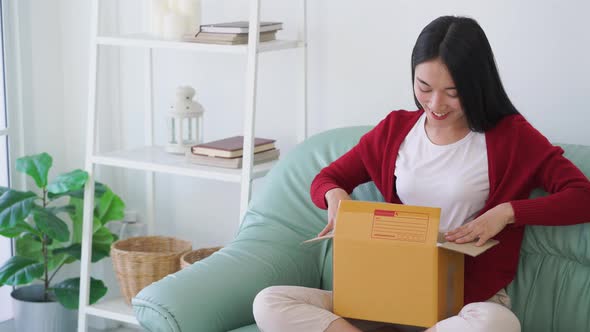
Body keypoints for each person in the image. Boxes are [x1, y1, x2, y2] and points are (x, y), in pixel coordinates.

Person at [252, 15, 590, 332]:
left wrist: (507, 213)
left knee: (497, 323)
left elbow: (582, 196)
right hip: (386, 295)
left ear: (476, 85)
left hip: (463, 306)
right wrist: (335, 195)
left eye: (453, 92)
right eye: (424, 87)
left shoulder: (512, 137)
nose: (436, 104)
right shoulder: (394, 131)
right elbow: (327, 178)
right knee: (269, 302)